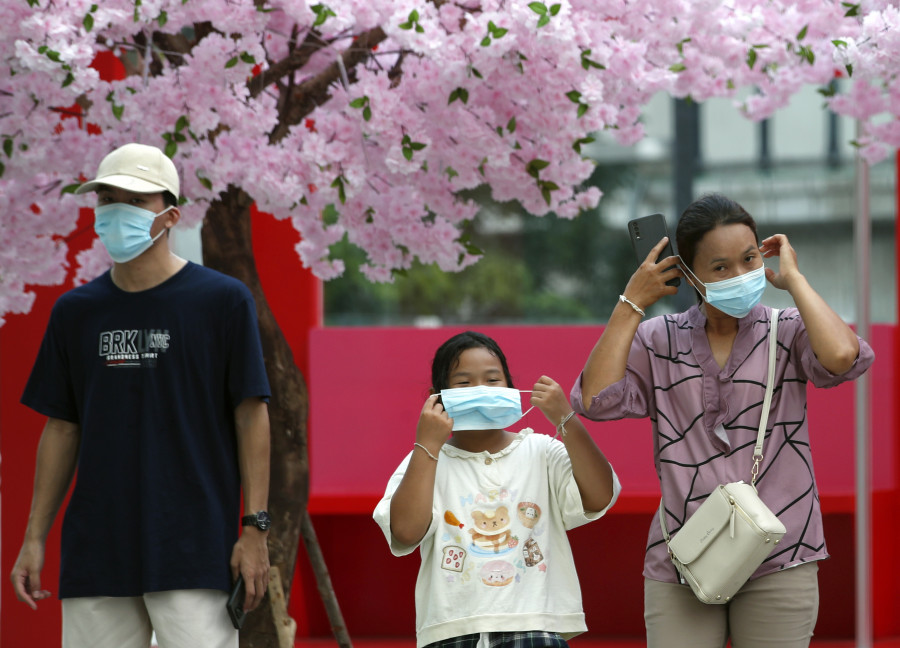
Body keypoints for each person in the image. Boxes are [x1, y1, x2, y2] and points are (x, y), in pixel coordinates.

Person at [571, 193, 875, 648]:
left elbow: (842, 355)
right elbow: (595, 400)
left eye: (749, 259)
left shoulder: (787, 328)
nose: (741, 275)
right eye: (720, 267)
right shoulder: (658, 340)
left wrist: (793, 279)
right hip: (686, 556)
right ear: (689, 272)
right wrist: (631, 303)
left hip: (782, 551)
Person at [9, 143, 273, 648]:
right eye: (106, 198)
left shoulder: (221, 301)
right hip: (97, 549)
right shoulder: (76, 312)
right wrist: (34, 537)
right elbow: (63, 426)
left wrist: (255, 528)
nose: (116, 211)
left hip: (195, 544)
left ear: (171, 215)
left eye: (134, 199)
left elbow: (250, 415)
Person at [374, 330, 621, 648]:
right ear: (438, 397)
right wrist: (427, 444)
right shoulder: (424, 461)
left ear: (511, 386)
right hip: (451, 630)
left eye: (492, 380)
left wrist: (566, 418)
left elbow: (600, 495)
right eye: (463, 383)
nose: (480, 390)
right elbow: (405, 532)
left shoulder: (542, 450)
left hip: (535, 626)